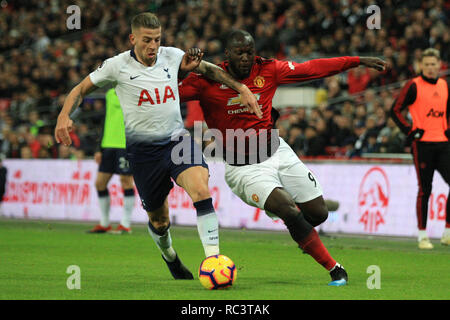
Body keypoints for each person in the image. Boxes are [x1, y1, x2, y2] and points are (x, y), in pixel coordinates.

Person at [54, 13, 260, 280]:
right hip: (143, 153)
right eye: (147, 40)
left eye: (157, 40)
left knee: (200, 188)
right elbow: (80, 89)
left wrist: (241, 88)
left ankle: (213, 261)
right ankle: (170, 257)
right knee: (159, 221)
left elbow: (209, 70)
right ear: (133, 39)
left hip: (177, 141)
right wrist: (63, 115)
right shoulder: (117, 66)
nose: (153, 46)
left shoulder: (172, 56)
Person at [179, 30, 386, 286]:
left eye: (249, 52)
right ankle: (335, 268)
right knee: (288, 208)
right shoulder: (205, 81)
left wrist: (356, 61)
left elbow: (312, 68)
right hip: (244, 169)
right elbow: (168, 92)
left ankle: (297, 229)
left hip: (278, 152)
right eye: (239, 53)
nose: (245, 58)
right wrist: (180, 71)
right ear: (227, 55)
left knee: (318, 214)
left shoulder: (268, 70)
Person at [391, 48, 450, 249]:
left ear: (440, 65)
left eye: (434, 64)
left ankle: (447, 232)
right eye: (427, 64)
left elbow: (447, 113)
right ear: (421, 66)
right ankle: (423, 235)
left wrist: (448, 129)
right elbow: (395, 110)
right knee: (425, 190)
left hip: (443, 143)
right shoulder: (413, 85)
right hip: (422, 144)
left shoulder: (444, 85)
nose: (431, 68)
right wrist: (409, 131)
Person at [88, 88, 136, 235]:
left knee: (126, 181)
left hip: (125, 143)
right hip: (108, 144)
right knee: (100, 183)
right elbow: (106, 119)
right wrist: (99, 148)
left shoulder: (133, 91)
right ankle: (104, 223)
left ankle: (125, 224)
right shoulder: (109, 94)